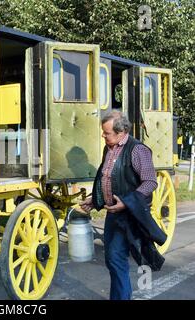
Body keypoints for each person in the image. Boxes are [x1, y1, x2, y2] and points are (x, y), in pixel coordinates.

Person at [80, 110, 158, 300]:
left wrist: (128, 202)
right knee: (114, 260)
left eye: (107, 133)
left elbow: (150, 182)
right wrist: (95, 199)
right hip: (113, 214)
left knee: (121, 259)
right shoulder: (109, 149)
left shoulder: (138, 150)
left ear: (121, 132)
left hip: (132, 215)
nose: (103, 136)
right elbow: (107, 179)